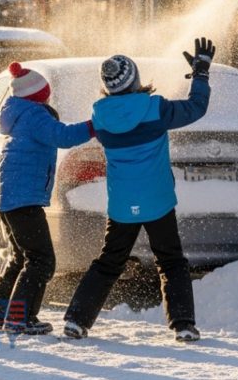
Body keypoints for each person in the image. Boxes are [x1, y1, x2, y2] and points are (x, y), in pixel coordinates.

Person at [63, 41, 214, 342]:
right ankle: (183, 325)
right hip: (157, 201)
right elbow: (196, 108)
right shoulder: (155, 109)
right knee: (171, 262)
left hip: (122, 205)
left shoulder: (101, 120)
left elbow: (68, 135)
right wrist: (200, 74)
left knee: (109, 262)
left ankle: (77, 320)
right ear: (135, 79)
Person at [0, 62, 94, 335]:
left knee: (20, 258)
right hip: (23, 200)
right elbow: (64, 136)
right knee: (41, 260)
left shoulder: (19, 114)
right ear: (39, 94)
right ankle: (20, 319)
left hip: (9, 198)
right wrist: (95, 125)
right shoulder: (35, 115)